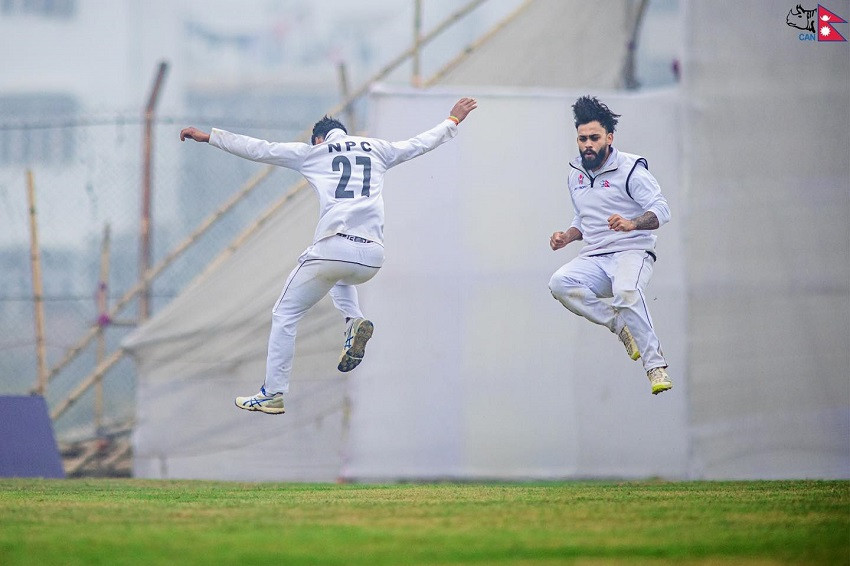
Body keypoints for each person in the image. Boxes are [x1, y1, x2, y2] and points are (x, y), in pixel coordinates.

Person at [179, 97, 477, 414]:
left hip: (333, 248)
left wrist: (210, 137)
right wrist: (452, 121)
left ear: (319, 138)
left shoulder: (314, 153)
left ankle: (273, 392)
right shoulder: (377, 148)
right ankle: (353, 320)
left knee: (284, 314)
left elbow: (260, 149)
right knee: (338, 277)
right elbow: (418, 144)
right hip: (372, 256)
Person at [548, 96, 672, 395]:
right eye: (583, 139)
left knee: (626, 292)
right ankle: (620, 326)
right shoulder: (576, 174)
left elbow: (662, 210)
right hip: (595, 258)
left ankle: (655, 366)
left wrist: (632, 223)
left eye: (595, 138)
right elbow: (583, 218)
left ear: (609, 137)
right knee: (560, 283)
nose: (588, 145)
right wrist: (567, 236)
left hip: (632, 252)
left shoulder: (630, 169)